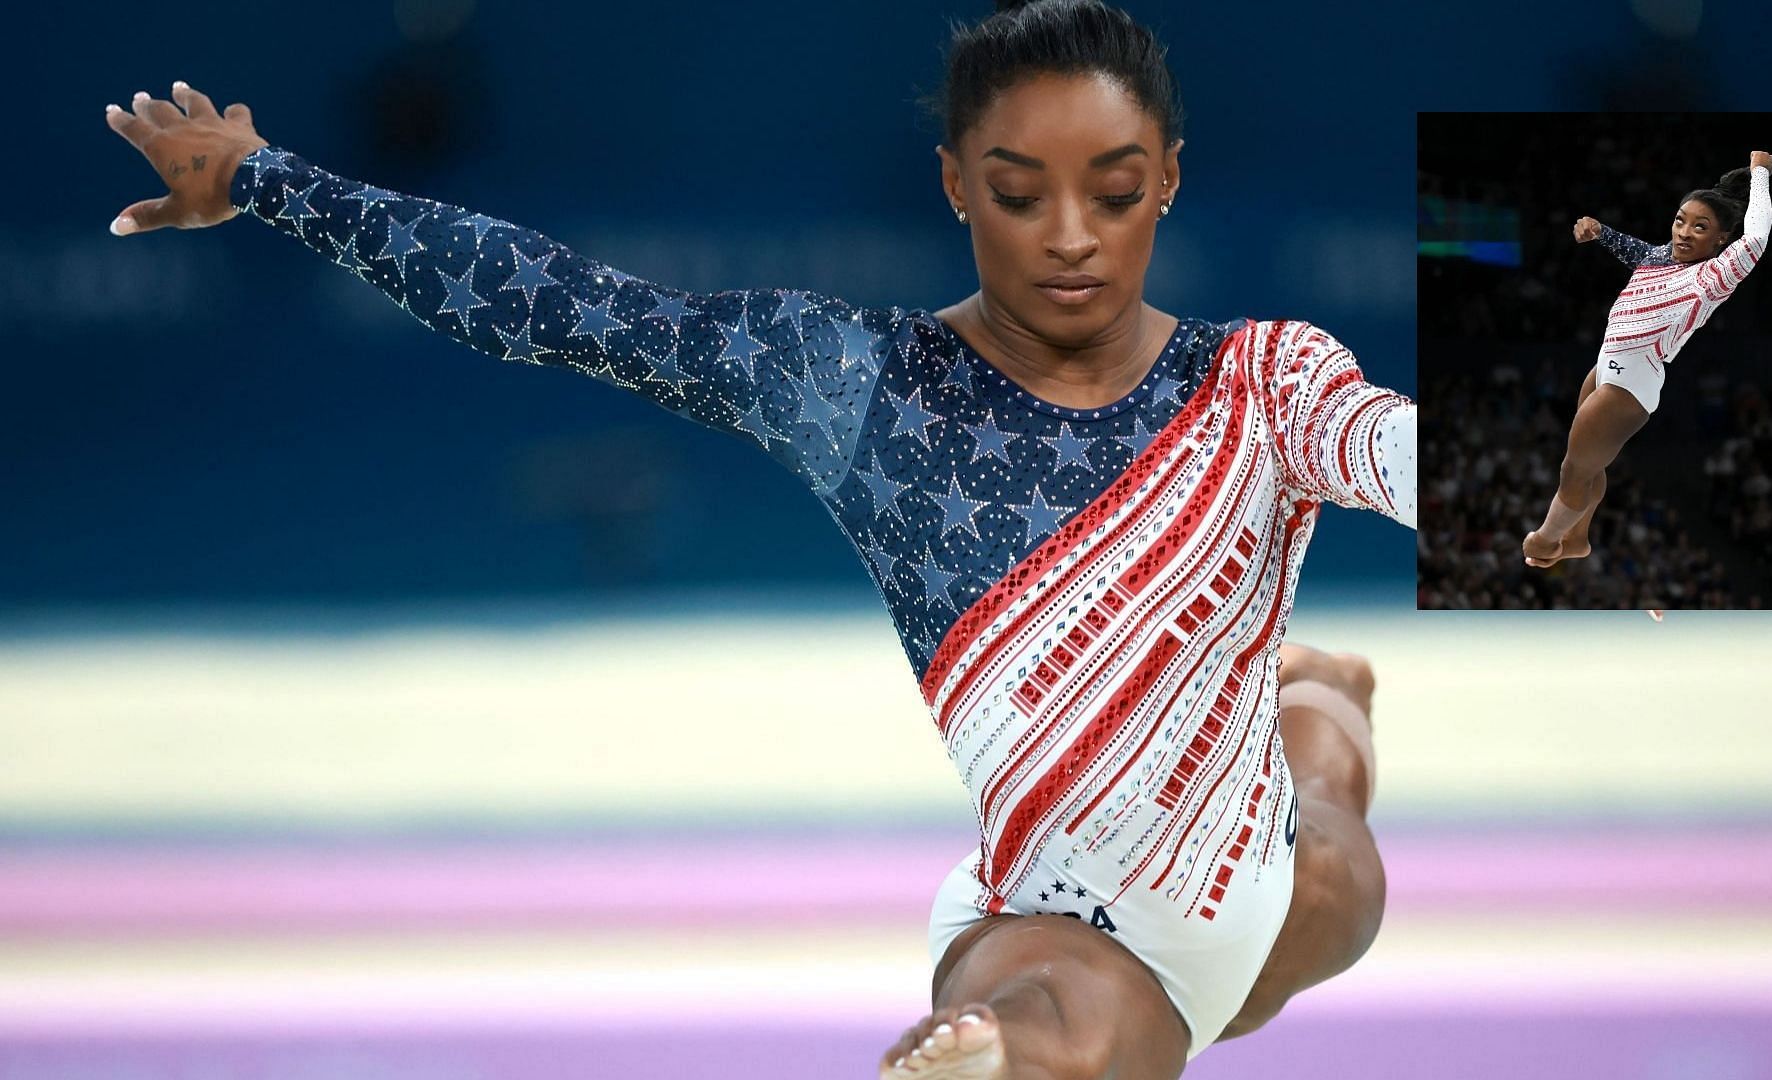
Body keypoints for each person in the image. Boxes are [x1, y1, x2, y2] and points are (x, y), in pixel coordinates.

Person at [102, 2, 1414, 1075]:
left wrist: (1586, 500)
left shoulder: (1261, 383)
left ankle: (1318, 707)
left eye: (1114, 192)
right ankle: (984, 1054)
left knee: (1340, 879)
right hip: (1046, 914)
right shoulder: (863, 386)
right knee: (1070, 1045)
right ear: (957, 184)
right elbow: (563, 306)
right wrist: (271, 183)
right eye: (1021, 193)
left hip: (1267, 886)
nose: (1070, 237)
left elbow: (1400, 449)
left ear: (1167, 182)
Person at [1522, 151, 1772, 578]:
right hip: (1605, 364)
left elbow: (1755, 240)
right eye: (1681, 220)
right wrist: (1600, 232)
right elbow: (1634, 249)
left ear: (1720, 240)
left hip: (1632, 382)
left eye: (1701, 228)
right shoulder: (1661, 257)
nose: (1685, 233)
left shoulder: (1713, 276)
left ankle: (1547, 538)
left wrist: (1760, 175)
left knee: (1574, 468)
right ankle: (1578, 536)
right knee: (1589, 465)